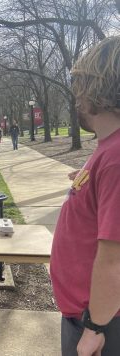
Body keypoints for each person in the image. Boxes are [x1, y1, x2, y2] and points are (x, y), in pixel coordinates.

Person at [50, 36, 120, 356]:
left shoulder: (116, 156)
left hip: (101, 322)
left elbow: (114, 258)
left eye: (81, 87)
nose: (77, 98)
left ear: (98, 91)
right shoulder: (107, 150)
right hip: (88, 314)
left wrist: (95, 328)